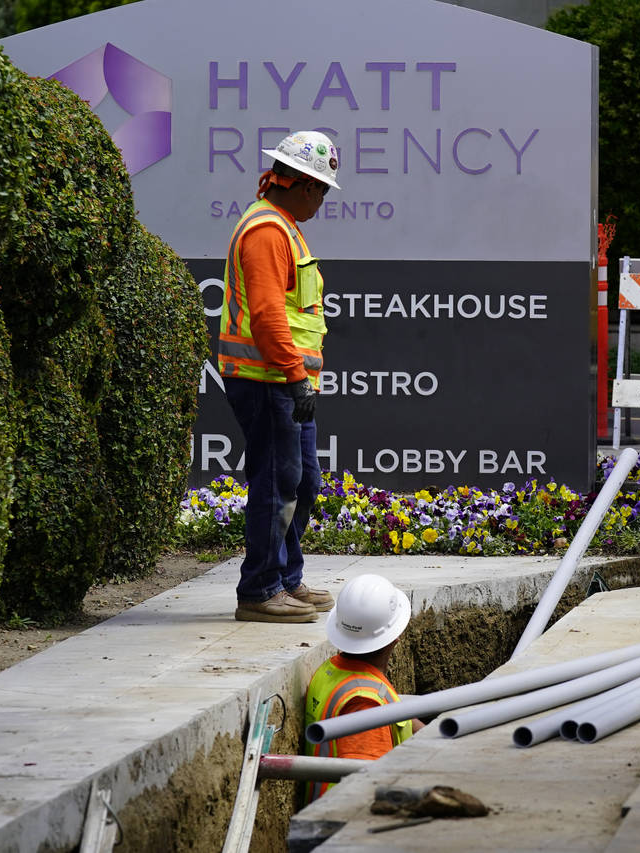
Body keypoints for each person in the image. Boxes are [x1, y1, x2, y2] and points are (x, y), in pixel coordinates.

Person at [218, 130, 340, 623]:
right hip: (267, 378)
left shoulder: (281, 225)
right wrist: (295, 377)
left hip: (280, 379)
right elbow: (268, 317)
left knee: (301, 481)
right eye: (323, 190)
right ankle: (261, 590)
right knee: (277, 482)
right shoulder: (268, 231)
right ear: (304, 184)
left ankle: (286, 578)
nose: (323, 200)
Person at [303, 574, 423, 802]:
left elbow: (397, 715)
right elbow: (365, 793)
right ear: (395, 638)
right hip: (343, 826)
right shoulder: (364, 704)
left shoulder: (334, 672)